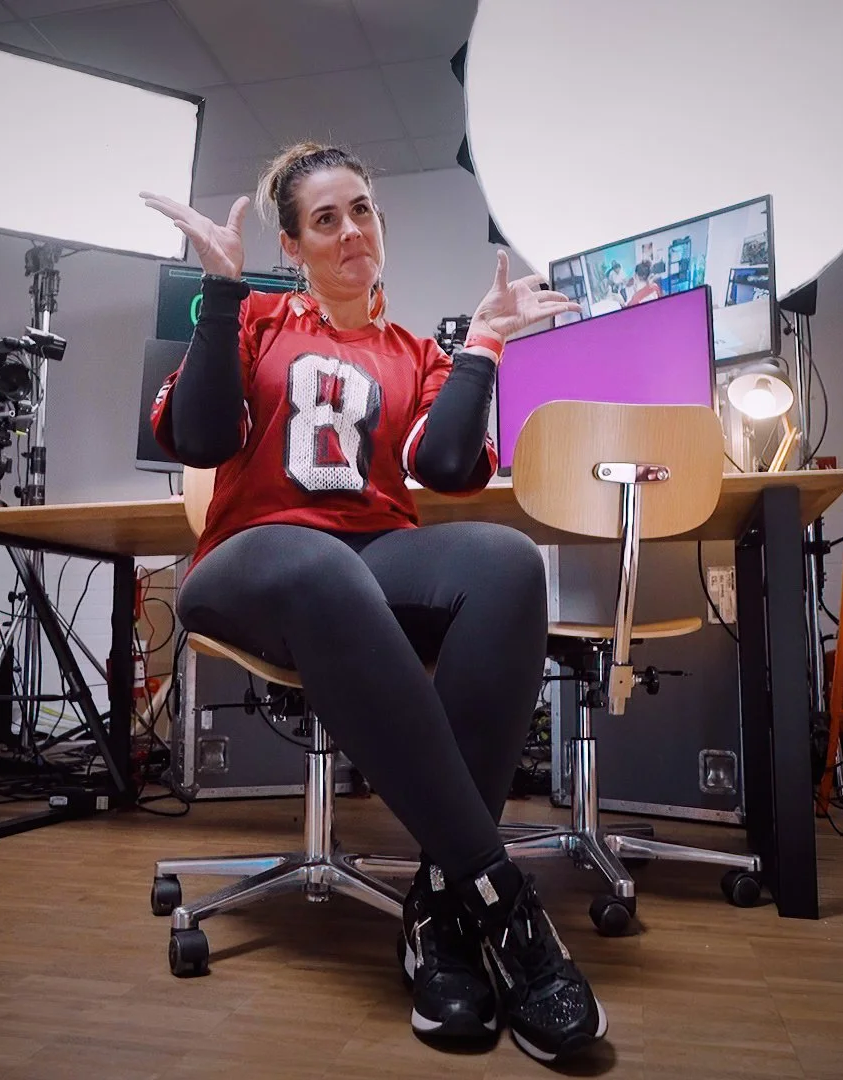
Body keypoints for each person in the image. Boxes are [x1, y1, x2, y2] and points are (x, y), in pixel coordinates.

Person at [139, 144, 605, 1062]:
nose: (351, 230)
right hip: (250, 559)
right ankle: (501, 898)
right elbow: (195, 434)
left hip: (374, 554)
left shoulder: (414, 354)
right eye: (325, 220)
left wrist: (481, 348)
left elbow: (441, 469)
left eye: (362, 210)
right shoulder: (257, 319)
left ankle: (438, 911)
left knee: (509, 564)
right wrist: (223, 293)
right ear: (294, 244)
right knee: (321, 566)